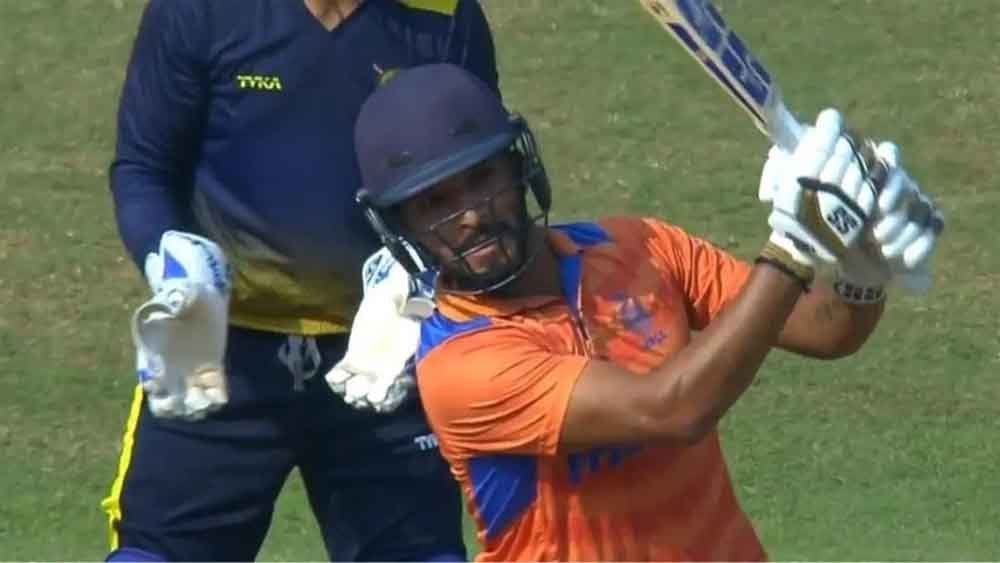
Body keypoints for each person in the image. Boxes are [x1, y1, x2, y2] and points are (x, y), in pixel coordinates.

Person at [350, 63, 943, 561]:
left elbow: (825, 328)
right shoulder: (460, 368)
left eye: (482, 179)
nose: (472, 216)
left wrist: (864, 267)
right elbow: (673, 409)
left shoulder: (640, 245)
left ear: (518, 166)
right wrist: (795, 244)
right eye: (435, 203)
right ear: (401, 226)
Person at [102, 1, 499, 561]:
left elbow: (480, 177)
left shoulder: (443, 15)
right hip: (219, 356)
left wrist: (418, 275)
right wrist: (169, 258)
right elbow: (143, 166)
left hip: (384, 356)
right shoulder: (201, 9)